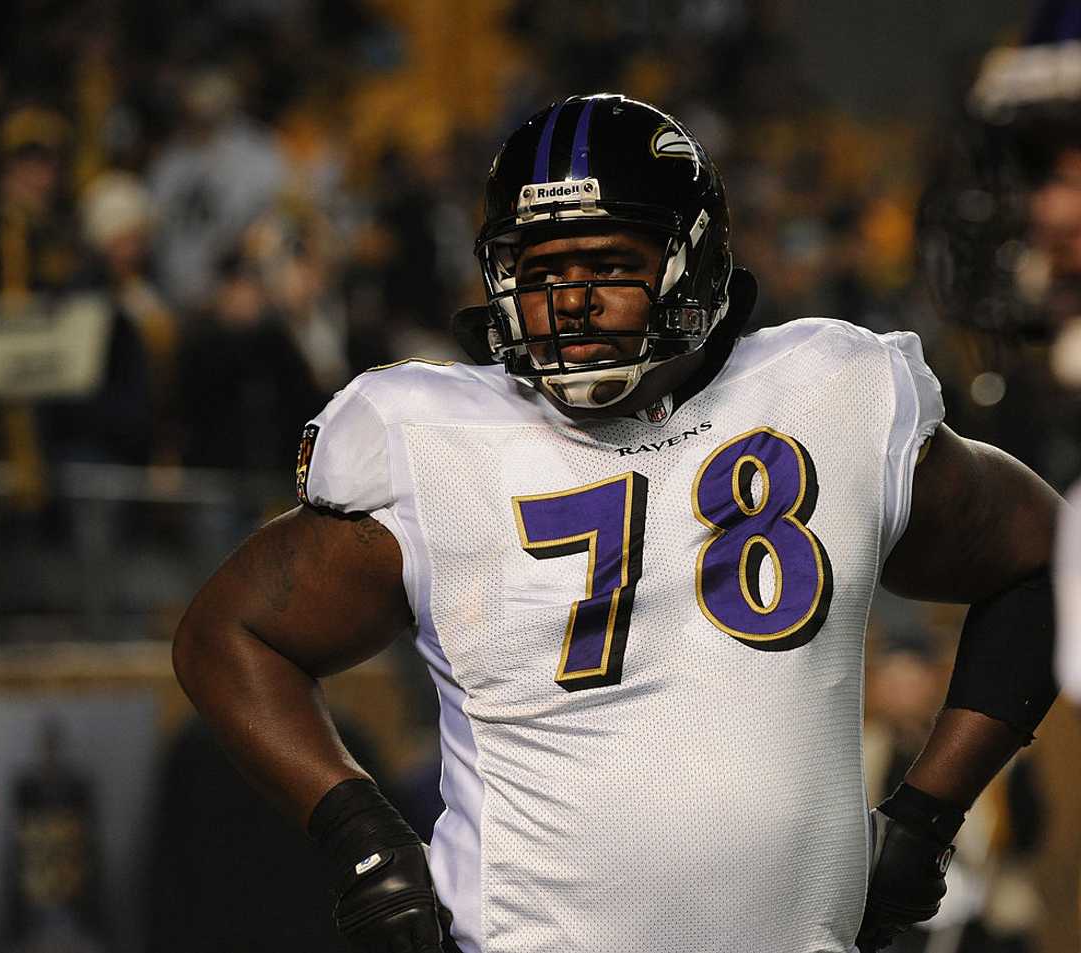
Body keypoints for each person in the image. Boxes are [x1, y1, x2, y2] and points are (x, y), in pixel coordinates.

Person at [173, 94, 1060, 953]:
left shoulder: (829, 391)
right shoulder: (431, 437)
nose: (572, 300)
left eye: (606, 264)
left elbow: (1047, 558)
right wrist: (360, 834)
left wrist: (928, 815)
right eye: (542, 271)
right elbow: (229, 631)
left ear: (696, 262)